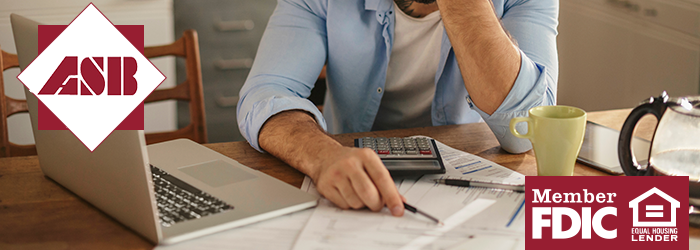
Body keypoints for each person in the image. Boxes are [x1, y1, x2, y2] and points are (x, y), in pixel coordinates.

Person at [237, 0, 558, 217]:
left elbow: (528, 133)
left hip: (467, 190)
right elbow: (266, 92)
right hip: (347, 178)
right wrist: (320, 155)